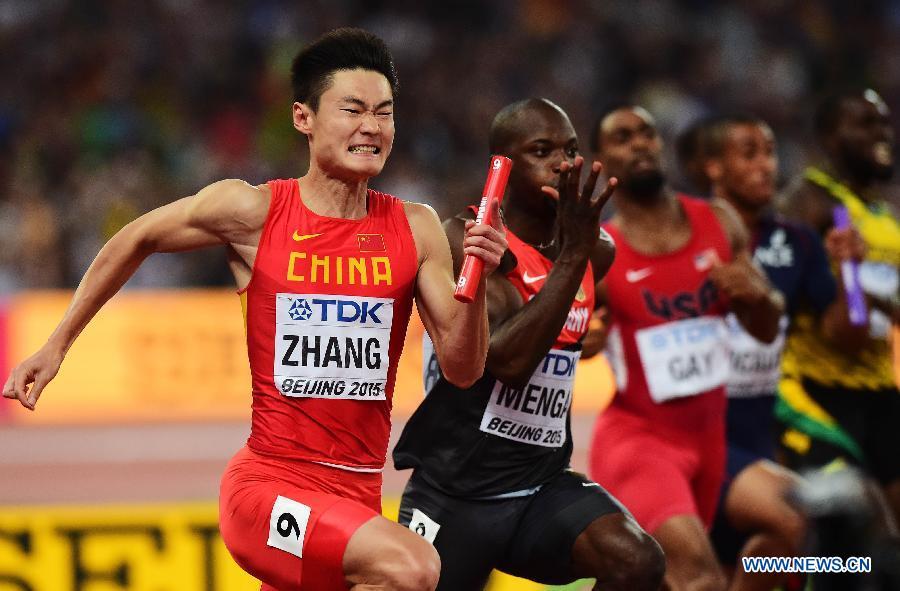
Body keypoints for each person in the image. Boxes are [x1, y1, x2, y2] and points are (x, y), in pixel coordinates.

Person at [2, 28, 509, 591]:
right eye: (353, 110)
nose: (372, 127)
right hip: (269, 489)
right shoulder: (254, 212)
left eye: (384, 113)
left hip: (356, 495)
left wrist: (479, 280)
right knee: (414, 567)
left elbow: (463, 369)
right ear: (303, 118)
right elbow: (136, 237)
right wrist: (57, 345)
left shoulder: (415, 229)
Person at [392, 98, 665, 591]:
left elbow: (567, 325)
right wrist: (572, 256)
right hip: (456, 490)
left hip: (541, 487)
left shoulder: (595, 250)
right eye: (542, 151)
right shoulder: (467, 238)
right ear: (502, 164)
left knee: (637, 562)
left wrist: (587, 335)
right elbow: (508, 361)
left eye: (571, 150)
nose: (563, 164)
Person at [586, 105, 783, 591]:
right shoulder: (600, 250)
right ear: (601, 160)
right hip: (641, 443)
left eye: (647, 133)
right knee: (699, 577)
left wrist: (760, 298)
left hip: (711, 440)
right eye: (622, 137)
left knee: (781, 541)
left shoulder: (719, 222)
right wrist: (582, 341)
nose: (639, 143)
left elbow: (765, 328)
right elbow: (573, 338)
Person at [691, 114, 863, 591]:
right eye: (750, 153)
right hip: (698, 442)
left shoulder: (798, 241)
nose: (767, 165)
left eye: (770, 152)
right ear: (714, 167)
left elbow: (848, 335)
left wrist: (851, 273)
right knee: (803, 524)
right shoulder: (683, 232)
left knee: (776, 559)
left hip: (761, 442)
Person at [775, 88, 900, 525]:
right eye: (865, 123)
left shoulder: (884, 213)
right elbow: (781, 279)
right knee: (853, 527)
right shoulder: (810, 201)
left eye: (883, 122)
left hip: (879, 388)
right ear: (830, 136)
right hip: (819, 389)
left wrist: (882, 303)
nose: (882, 133)